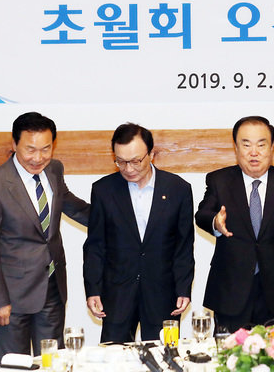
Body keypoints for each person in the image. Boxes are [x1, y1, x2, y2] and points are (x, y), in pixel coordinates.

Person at [0, 112, 89, 362]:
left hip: (52, 288)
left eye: (45, 149)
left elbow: (73, 206)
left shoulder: (55, 169)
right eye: (30, 149)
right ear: (14, 144)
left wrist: (115, 220)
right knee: (14, 364)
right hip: (12, 297)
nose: (38, 158)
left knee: (52, 362)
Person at [195, 116, 274, 333]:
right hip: (230, 289)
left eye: (261, 145)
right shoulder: (219, 180)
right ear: (236, 147)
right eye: (246, 145)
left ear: (272, 147)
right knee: (228, 353)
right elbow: (202, 214)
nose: (253, 152)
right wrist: (215, 222)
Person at [83, 123, 194, 342]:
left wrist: (183, 288)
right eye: (121, 161)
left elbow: (183, 245)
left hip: (163, 293)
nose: (128, 169)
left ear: (151, 154)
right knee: (113, 356)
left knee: (165, 355)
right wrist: (93, 289)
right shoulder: (103, 190)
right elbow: (95, 245)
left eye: (135, 161)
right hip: (117, 294)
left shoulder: (178, 189)